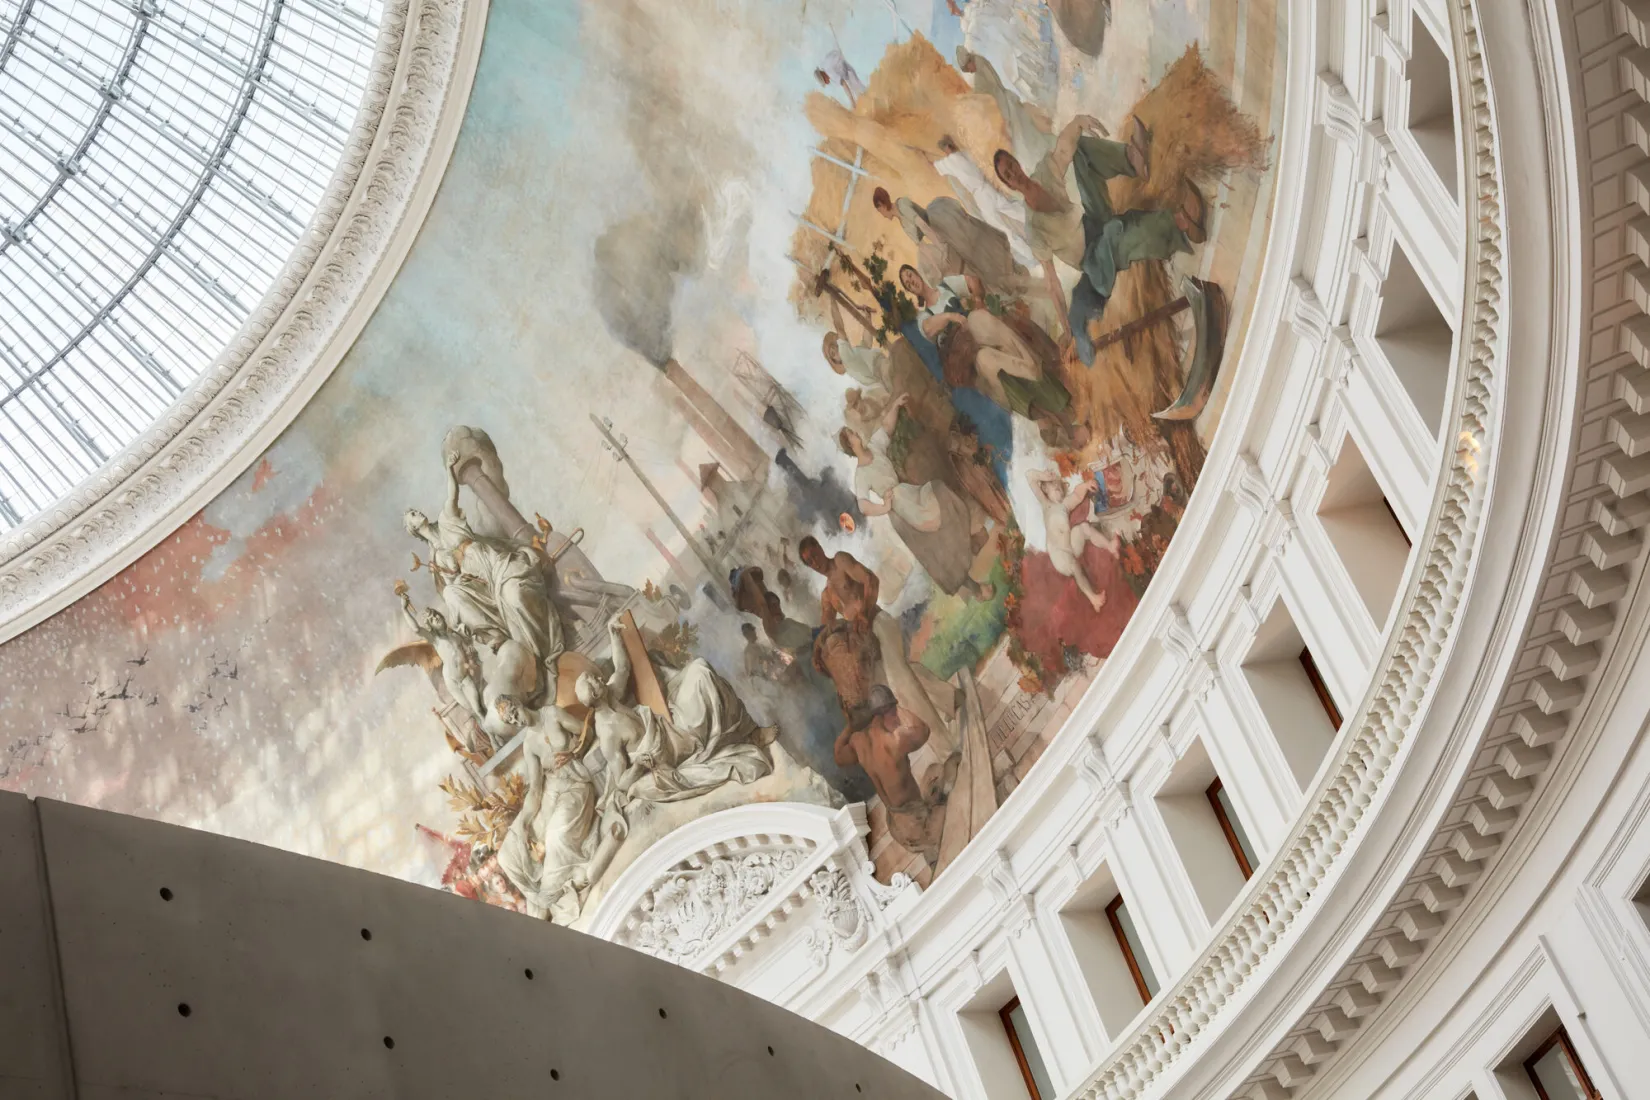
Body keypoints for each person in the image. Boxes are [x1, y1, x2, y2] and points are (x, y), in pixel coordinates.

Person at [993, 114, 1209, 363]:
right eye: (1008, 175)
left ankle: (1133, 159)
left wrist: (1077, 122)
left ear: (1017, 162)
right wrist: (1068, 330)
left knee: (1081, 152)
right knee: (1116, 233)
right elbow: (1052, 282)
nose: (1014, 173)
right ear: (1009, 185)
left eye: (1012, 165)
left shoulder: (1043, 173)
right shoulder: (1033, 228)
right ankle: (1182, 223)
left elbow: (1064, 149)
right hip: (1092, 257)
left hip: (1092, 221)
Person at [799, 536, 960, 756]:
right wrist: (818, 651)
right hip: (866, 644)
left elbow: (871, 580)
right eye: (809, 562)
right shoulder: (827, 595)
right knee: (903, 678)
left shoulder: (840, 561)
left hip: (879, 624)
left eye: (814, 555)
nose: (815, 562)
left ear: (819, 547)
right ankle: (952, 698)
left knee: (903, 687)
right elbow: (826, 627)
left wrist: (864, 613)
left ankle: (946, 748)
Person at [900, 265, 1080, 446]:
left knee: (984, 322)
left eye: (910, 275)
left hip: (973, 328)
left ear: (916, 273)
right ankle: (1042, 417)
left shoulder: (945, 286)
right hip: (961, 354)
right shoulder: (922, 317)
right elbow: (929, 328)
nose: (911, 282)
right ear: (910, 291)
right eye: (907, 283)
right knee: (987, 362)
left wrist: (978, 299)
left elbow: (972, 280)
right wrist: (950, 316)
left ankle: (1034, 370)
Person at [839, 395, 989, 601]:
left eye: (853, 431)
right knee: (936, 549)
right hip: (901, 511)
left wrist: (895, 405)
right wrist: (885, 506)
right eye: (852, 434)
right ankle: (975, 588)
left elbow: (887, 427)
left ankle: (969, 548)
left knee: (940, 493)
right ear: (850, 445)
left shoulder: (874, 447)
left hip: (908, 495)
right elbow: (863, 506)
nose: (856, 433)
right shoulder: (861, 474)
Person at [492, 695, 620, 923]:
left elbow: (587, 732)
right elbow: (535, 790)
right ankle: (538, 898)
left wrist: (573, 753)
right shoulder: (529, 745)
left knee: (555, 836)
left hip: (575, 785)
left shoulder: (551, 714)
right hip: (550, 792)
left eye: (515, 713)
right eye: (512, 721)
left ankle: (548, 897)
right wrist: (524, 822)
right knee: (507, 854)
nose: (517, 721)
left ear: (519, 703)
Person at [833, 685, 951, 865]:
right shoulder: (895, 740)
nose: (897, 718)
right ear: (883, 713)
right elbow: (923, 730)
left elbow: (839, 756)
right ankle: (931, 845)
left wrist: (850, 726)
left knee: (934, 772)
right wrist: (899, 706)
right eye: (893, 713)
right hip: (915, 821)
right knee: (950, 777)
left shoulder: (858, 742)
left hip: (895, 824)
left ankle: (929, 845)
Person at [872, 186, 1020, 291]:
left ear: (881, 205)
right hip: (936, 238)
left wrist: (941, 246)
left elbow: (922, 224)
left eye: (880, 211)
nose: (882, 215)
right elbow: (921, 245)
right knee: (965, 267)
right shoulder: (902, 223)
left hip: (940, 227)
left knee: (972, 251)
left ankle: (1008, 274)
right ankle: (1000, 286)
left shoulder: (902, 204)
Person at [931, 134, 1038, 270]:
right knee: (1010, 210)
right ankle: (1034, 227)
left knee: (1004, 229)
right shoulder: (965, 159)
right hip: (988, 193)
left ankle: (1031, 254)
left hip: (984, 198)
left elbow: (945, 167)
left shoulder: (959, 162)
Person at [1027, 468, 1120, 612]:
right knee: (1074, 566)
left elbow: (1076, 495)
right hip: (1059, 555)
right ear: (1044, 489)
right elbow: (1029, 476)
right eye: (1052, 485)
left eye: (1059, 486)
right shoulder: (1046, 505)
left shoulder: (1064, 505)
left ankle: (1110, 546)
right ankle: (1093, 598)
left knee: (1083, 528)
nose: (1057, 487)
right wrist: (1043, 476)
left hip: (1071, 546)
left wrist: (1086, 485)